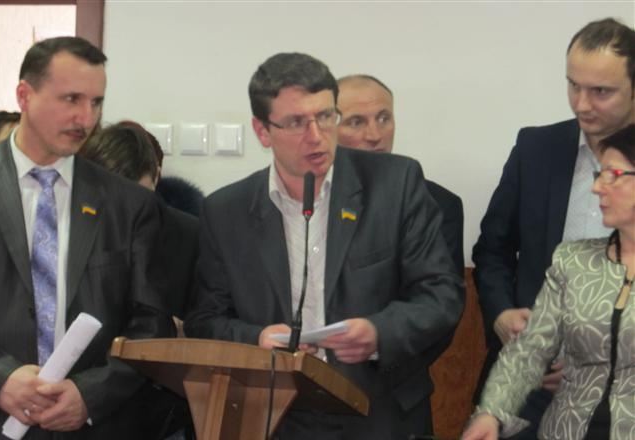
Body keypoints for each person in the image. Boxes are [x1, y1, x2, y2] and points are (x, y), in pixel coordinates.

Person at [184, 52, 463, 439]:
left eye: (326, 116)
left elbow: (441, 295)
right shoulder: (225, 211)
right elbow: (204, 319)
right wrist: (257, 340)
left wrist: (378, 332)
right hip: (277, 414)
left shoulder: (396, 184)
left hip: (379, 410)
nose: (316, 136)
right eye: (297, 122)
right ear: (262, 131)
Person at [0, 36, 174, 438]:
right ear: (24, 95)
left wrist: (90, 396)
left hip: (92, 426)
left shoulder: (129, 205)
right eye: (71, 99)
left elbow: (151, 327)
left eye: (96, 102)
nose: (86, 118)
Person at [471, 18, 635, 438]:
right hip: (531, 388)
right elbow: (493, 250)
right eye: (573, 85)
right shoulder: (536, 149)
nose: (581, 104)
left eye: (601, 91)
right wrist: (502, 314)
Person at [79, 121, 198, 439]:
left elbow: (210, 321)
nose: (127, 211)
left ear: (157, 177)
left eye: (137, 197)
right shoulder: (70, 228)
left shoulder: (191, 234)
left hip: (162, 409)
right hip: (81, 402)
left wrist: (182, 331)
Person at [337, 74, 464, 275]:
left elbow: (440, 290)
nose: (375, 135)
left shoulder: (436, 204)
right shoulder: (304, 199)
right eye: (356, 122)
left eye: (383, 119)